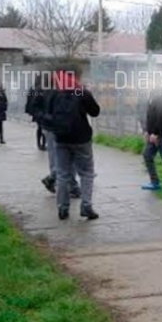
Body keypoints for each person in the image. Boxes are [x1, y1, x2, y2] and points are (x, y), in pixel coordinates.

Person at [41, 64, 100, 221]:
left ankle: (62, 208)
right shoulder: (80, 91)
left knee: (62, 174)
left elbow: (47, 113)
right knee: (86, 173)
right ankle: (86, 206)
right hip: (81, 139)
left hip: (61, 139)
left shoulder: (54, 93)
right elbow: (95, 111)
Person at [30, 74, 82, 198]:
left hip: (57, 128)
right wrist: (46, 119)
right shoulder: (46, 93)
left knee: (61, 158)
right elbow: (33, 107)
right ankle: (69, 186)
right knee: (61, 159)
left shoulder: (56, 93)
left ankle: (56, 180)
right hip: (53, 129)